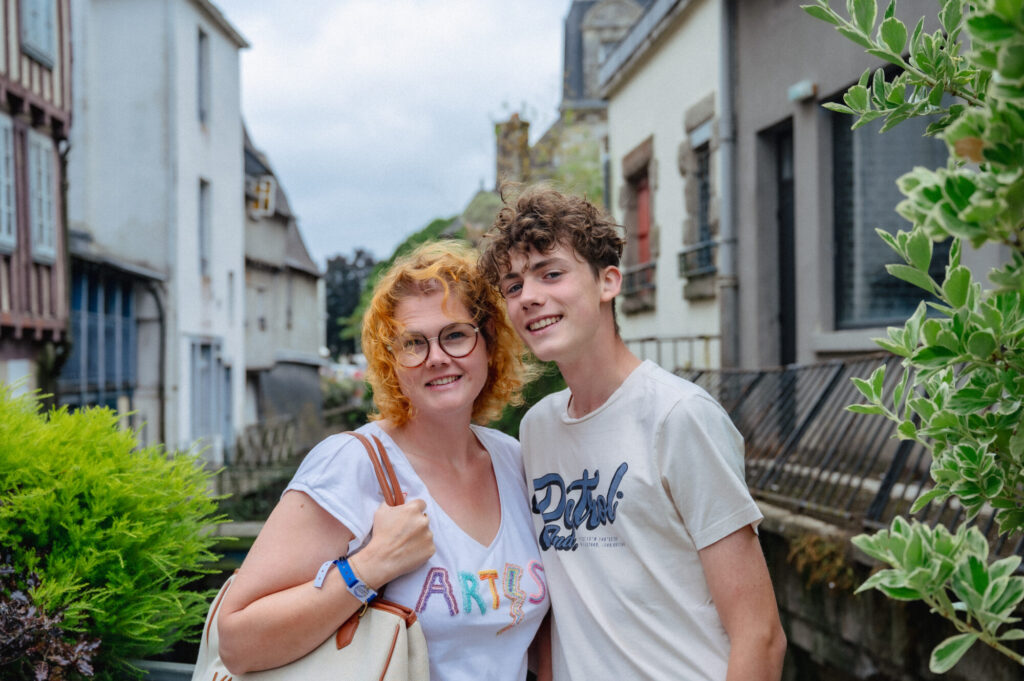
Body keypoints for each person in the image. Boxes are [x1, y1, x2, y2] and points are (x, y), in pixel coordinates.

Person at [478, 185, 787, 681]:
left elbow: (761, 635)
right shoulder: (538, 430)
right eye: (513, 287)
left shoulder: (678, 417)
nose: (529, 297)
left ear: (608, 283)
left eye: (550, 274)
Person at [217, 241, 550, 681]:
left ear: (488, 344)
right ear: (391, 362)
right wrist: (371, 566)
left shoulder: (514, 461)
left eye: (455, 334)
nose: (437, 357)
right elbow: (238, 643)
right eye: (413, 342)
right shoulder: (351, 464)